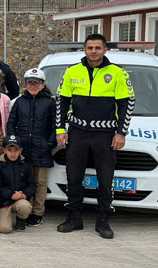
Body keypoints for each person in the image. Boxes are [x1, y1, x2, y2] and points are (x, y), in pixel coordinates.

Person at [56, 33, 135, 240]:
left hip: (105, 134)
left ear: (105, 50)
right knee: (73, 177)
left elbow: (127, 104)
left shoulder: (118, 73)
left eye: (97, 48)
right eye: (90, 47)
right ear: (84, 49)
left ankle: (103, 220)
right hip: (78, 133)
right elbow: (61, 102)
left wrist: (121, 132)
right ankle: (74, 217)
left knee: (105, 179)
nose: (93, 51)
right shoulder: (72, 71)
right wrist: (60, 130)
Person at [7, 68, 56, 227]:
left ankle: (37, 213)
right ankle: (25, 211)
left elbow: (55, 127)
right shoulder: (19, 102)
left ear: (42, 85)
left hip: (42, 149)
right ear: (25, 84)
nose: (33, 85)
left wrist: (49, 144)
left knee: (40, 183)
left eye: (36, 83)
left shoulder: (50, 102)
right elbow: (11, 123)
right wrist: (13, 143)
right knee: (24, 182)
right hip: (23, 149)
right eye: (30, 82)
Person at [0, 135, 35, 234]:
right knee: (4, 229)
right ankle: (0, 216)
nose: (13, 153)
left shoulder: (25, 165)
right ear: (4, 150)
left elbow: (32, 185)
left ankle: (21, 219)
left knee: (25, 206)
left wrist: (24, 194)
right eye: (9, 150)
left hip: (20, 199)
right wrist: (11, 195)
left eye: (16, 150)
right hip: (4, 202)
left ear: (21, 150)